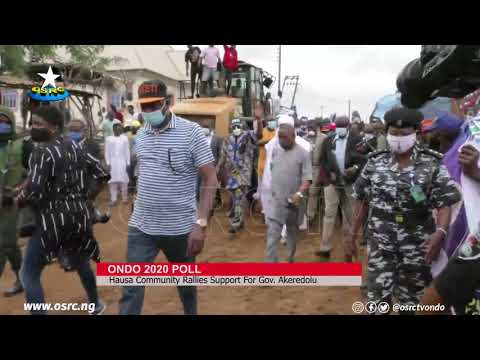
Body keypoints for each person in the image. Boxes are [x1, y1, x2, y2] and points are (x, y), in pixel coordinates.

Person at [348, 107, 461, 314]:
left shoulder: (432, 163)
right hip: (380, 246)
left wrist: (441, 232)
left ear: (416, 134)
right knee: (377, 303)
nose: (398, 138)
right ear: (386, 132)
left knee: (411, 304)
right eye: (394, 133)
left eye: (404, 134)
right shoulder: (375, 161)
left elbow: (444, 203)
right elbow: (362, 200)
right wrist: (353, 235)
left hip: (417, 248)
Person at [118, 80, 218, 315]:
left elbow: (210, 178)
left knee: (186, 286)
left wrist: (201, 223)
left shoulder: (191, 133)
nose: (150, 111)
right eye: (145, 106)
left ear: (168, 103)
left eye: (155, 105)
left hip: (181, 229)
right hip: (142, 226)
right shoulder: (141, 135)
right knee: (131, 287)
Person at [15, 106, 110, 315]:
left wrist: (17, 200)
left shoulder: (41, 152)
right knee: (81, 262)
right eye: (33, 123)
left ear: (55, 127)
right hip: (79, 216)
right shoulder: (76, 147)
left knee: (29, 273)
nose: (33, 127)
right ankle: (95, 305)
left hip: (52, 220)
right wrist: (86, 198)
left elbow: (35, 192)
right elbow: (102, 174)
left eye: (39, 124)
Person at [316, 115, 366, 258]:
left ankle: (349, 249)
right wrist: (327, 176)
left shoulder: (357, 140)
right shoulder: (328, 140)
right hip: (332, 184)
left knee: (349, 217)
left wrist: (355, 168)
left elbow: (364, 160)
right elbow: (323, 161)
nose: (340, 129)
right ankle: (325, 247)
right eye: (338, 126)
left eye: (343, 127)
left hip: (350, 184)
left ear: (348, 127)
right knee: (329, 214)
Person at [265, 123, 312, 262]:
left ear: (293, 136)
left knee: (291, 231)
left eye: (284, 137)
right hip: (277, 200)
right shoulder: (276, 151)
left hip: (293, 202)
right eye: (279, 137)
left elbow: (307, 179)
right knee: (273, 233)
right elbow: (274, 171)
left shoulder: (303, 154)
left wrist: (299, 193)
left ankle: (290, 257)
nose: (281, 140)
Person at [217, 117, 263, 234]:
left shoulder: (248, 136)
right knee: (234, 196)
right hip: (233, 172)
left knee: (239, 197)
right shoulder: (227, 139)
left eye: (238, 126)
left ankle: (236, 223)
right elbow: (223, 155)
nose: (236, 129)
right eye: (234, 127)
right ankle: (240, 221)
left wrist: (259, 121)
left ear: (242, 127)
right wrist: (218, 168)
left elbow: (258, 134)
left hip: (244, 171)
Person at [0, 106, 26, 297]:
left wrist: (17, 190)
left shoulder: (21, 145)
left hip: (10, 201)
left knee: (7, 241)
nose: (2, 125)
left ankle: (21, 278)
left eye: (5, 122)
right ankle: (22, 277)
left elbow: (33, 173)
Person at [196, 119, 223, 207]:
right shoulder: (198, 138)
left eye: (207, 127)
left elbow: (221, 154)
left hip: (211, 167)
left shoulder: (217, 139)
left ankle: (206, 206)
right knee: (197, 187)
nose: (205, 129)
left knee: (207, 187)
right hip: (198, 167)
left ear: (211, 128)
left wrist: (218, 166)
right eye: (203, 127)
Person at [307, 118, 329, 225]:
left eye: (312, 127)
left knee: (313, 192)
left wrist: (322, 172)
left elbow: (326, 156)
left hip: (318, 168)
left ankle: (311, 216)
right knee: (306, 193)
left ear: (317, 127)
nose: (310, 129)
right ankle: (306, 215)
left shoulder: (324, 138)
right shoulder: (305, 138)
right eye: (309, 127)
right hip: (306, 168)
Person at [105, 123, 130, 206]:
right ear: (114, 130)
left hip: (122, 162)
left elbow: (127, 151)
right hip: (112, 163)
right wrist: (108, 163)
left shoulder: (125, 138)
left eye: (121, 129)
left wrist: (128, 162)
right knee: (112, 182)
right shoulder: (109, 139)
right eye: (118, 129)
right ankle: (113, 199)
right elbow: (107, 152)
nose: (120, 130)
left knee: (124, 181)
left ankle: (124, 198)